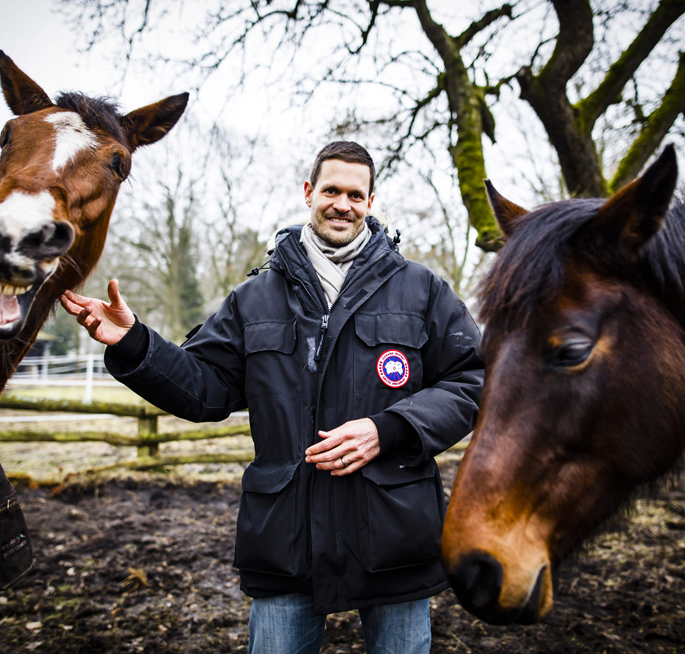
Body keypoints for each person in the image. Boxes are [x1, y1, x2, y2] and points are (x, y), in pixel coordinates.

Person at [61, 141, 484, 653]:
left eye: (356, 194)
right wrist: (133, 342)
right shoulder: (255, 298)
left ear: (371, 203)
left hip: (393, 533)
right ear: (309, 192)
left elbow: (471, 380)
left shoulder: (422, 291)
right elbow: (204, 388)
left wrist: (388, 429)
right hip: (288, 539)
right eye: (331, 190)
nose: (342, 204)